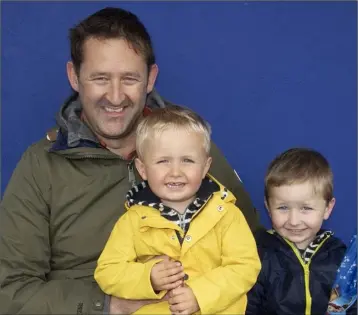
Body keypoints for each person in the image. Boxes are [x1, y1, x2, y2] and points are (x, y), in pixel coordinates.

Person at [0, 6, 260, 315]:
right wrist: (109, 305)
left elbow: (252, 252)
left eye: (129, 79)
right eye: (99, 78)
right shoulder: (41, 166)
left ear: (150, 78)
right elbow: (10, 290)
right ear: (74, 76)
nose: (114, 96)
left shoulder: (189, 145)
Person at [94, 106, 261, 315]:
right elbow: (108, 272)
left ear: (205, 167)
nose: (175, 172)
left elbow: (245, 267)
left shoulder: (227, 214)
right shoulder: (133, 220)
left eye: (187, 160)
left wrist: (200, 295)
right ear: (143, 169)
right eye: (163, 161)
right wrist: (149, 277)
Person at [245, 148, 347, 315]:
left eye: (306, 208)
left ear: (328, 208)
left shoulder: (340, 256)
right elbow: (247, 308)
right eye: (283, 207)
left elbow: (349, 305)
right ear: (268, 207)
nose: (293, 221)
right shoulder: (257, 252)